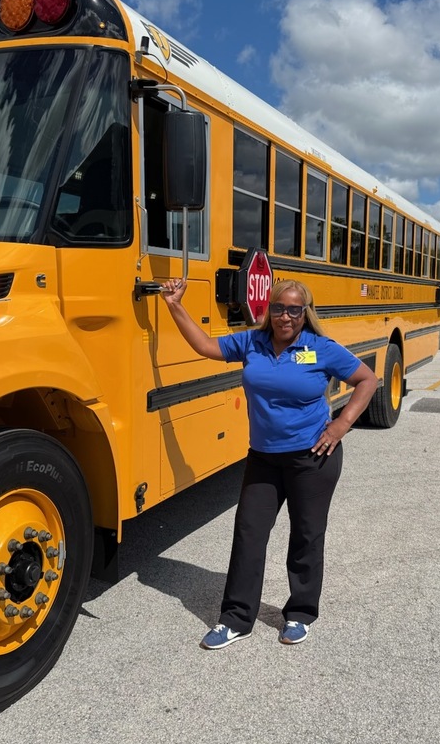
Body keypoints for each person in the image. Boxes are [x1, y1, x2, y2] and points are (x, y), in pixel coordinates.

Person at [161, 276, 378, 649]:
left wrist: (340, 425)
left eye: (294, 309)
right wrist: (174, 304)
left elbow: (368, 379)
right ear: (269, 310)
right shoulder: (252, 342)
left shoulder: (320, 348)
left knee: (307, 535)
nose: (285, 316)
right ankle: (236, 619)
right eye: (278, 308)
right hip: (263, 457)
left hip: (313, 458)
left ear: (305, 312)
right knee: (249, 533)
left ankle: (300, 613)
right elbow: (204, 346)